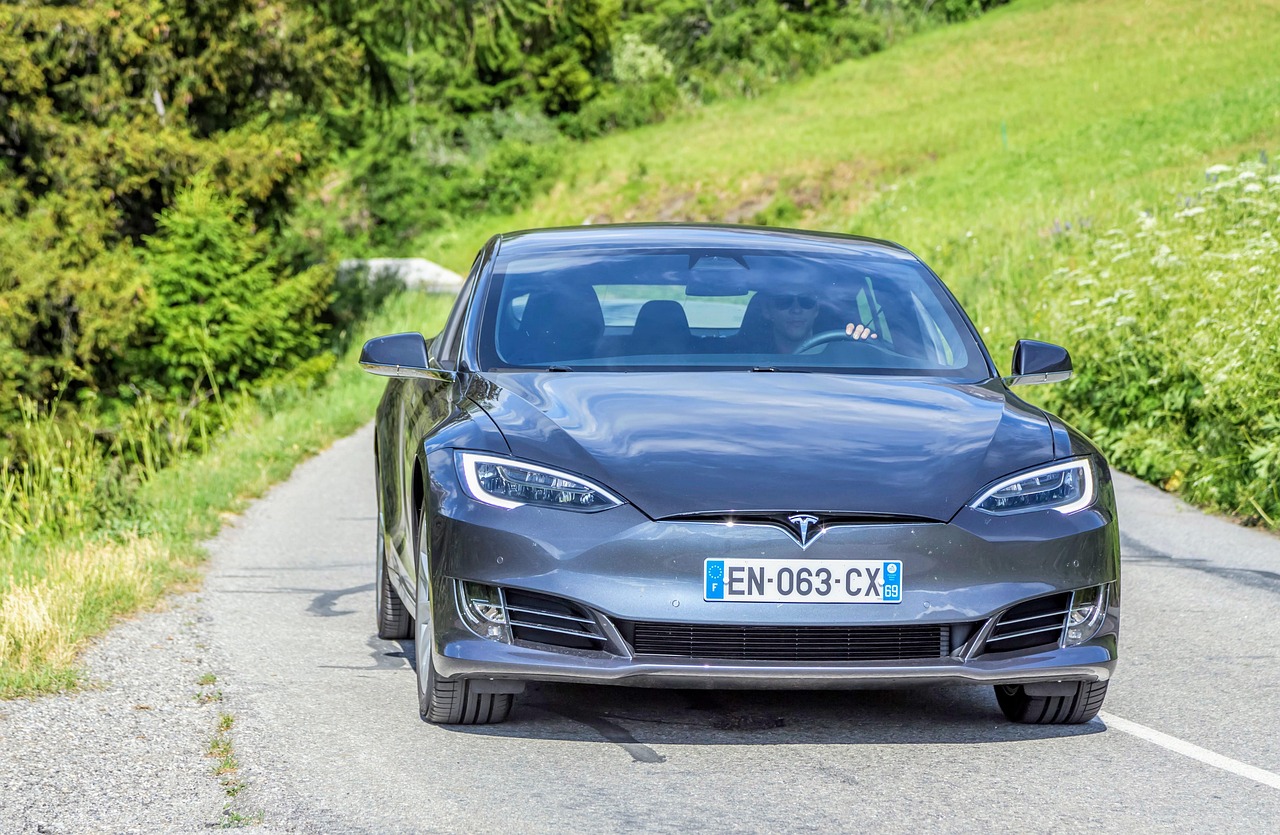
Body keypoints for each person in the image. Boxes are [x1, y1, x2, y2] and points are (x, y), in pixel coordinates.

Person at [758, 292, 877, 353]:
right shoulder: (744, 356)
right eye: (784, 301)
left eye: (806, 301)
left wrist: (862, 344)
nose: (796, 310)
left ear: (816, 310)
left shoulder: (843, 353)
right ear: (767, 311)